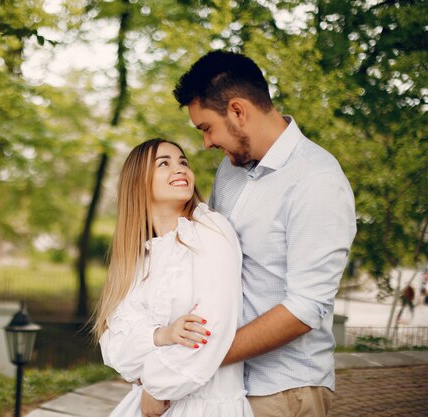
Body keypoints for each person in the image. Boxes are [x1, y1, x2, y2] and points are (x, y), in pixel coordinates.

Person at [138, 50, 356, 417]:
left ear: (238, 111)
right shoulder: (230, 171)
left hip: (283, 389)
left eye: (206, 128)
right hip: (221, 387)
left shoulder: (316, 181)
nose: (206, 143)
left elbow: (306, 307)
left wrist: (190, 363)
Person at [94, 138, 253, 417]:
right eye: (164, 164)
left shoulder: (210, 229)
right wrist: (162, 335)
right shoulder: (141, 256)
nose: (180, 169)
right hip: (144, 404)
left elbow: (210, 332)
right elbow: (115, 348)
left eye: (183, 162)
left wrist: (155, 387)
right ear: (138, 182)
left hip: (205, 406)